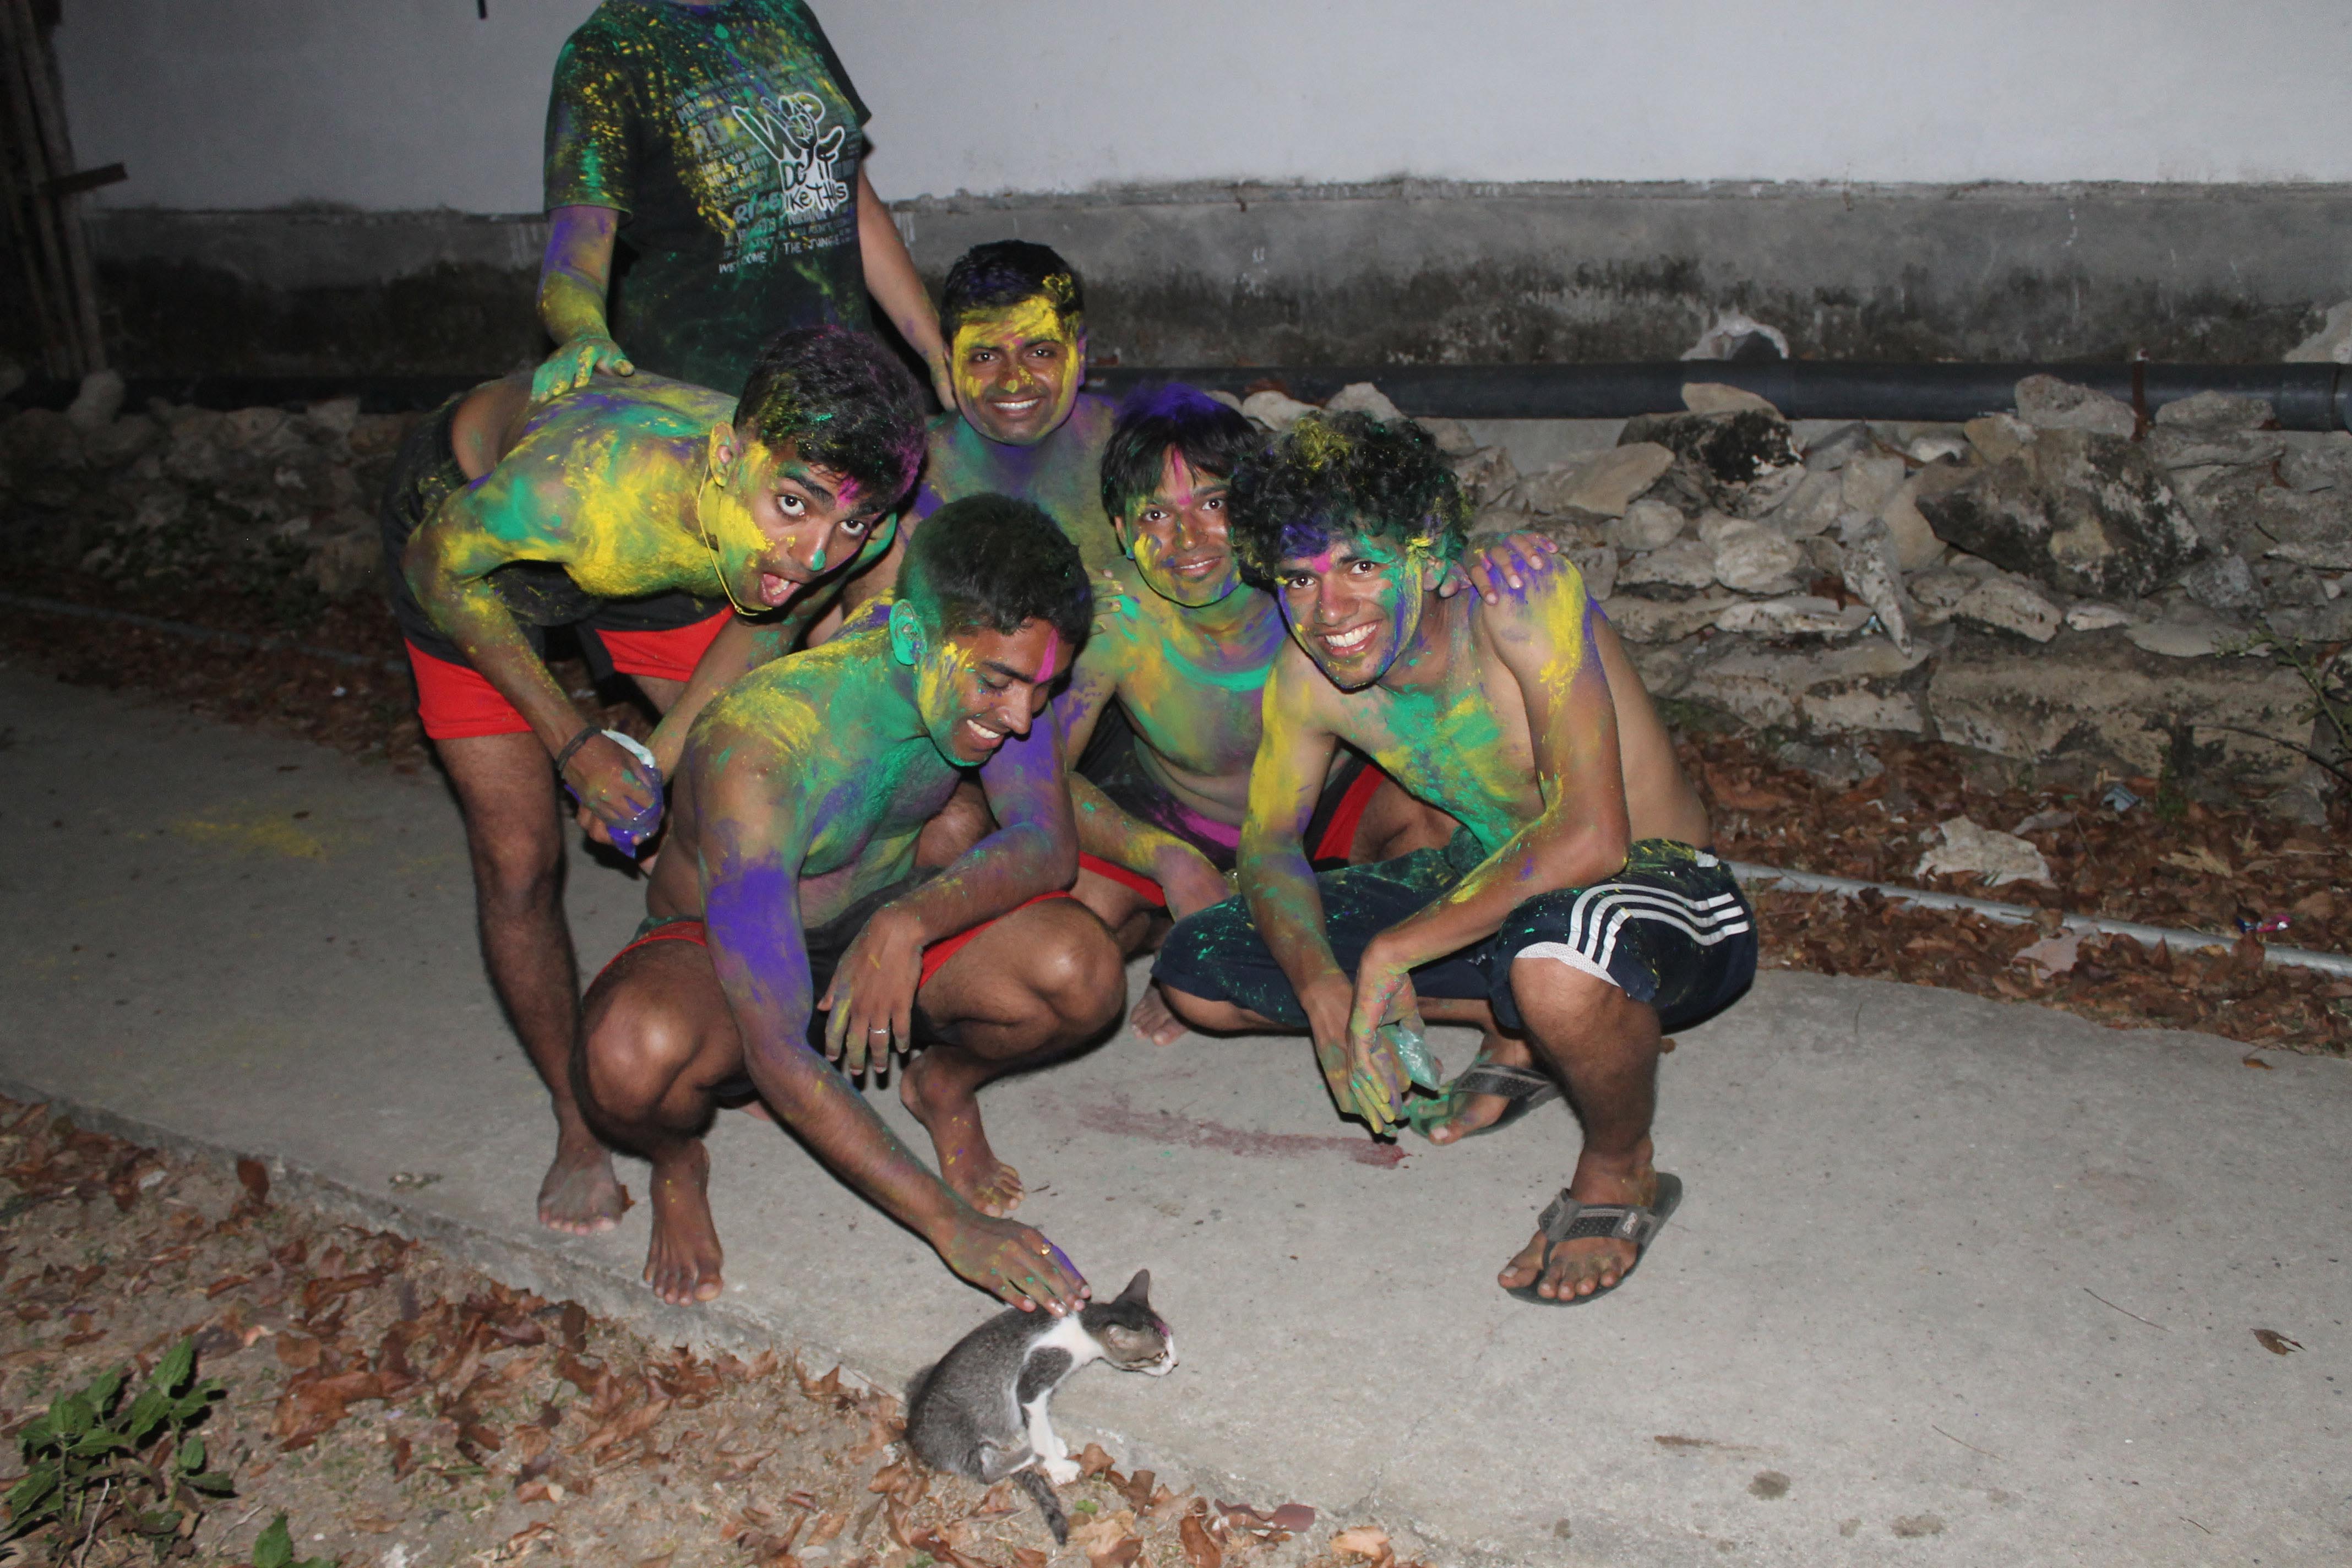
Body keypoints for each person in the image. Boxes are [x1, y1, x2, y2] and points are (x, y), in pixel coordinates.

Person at [1152, 412, 1756, 1305]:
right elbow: (1270, 842)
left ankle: (1619, 1161)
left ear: (1430, 557)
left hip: (1657, 886)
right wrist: (1324, 985)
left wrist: (1392, 956)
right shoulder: (1306, 672)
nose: (1330, 611)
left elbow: (1592, 837)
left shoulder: (1521, 609)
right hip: (1497, 881)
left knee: (1556, 967)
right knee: (1197, 970)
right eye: (1298, 579)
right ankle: (1517, 1031)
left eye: (1361, 564)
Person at [384, 325, 927, 1239]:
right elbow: (436, 569)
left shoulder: (818, 516)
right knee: (517, 858)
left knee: (746, 786)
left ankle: (728, 1039)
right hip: (472, 554)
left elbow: (773, 615)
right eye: (792, 506)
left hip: (679, 558)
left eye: (850, 526)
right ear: (729, 457)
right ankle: (579, 1112)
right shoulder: (574, 490)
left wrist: (656, 756)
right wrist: (572, 741)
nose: (814, 551)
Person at [573, 495, 1123, 1308]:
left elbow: (1047, 842)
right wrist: (951, 1226)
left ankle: (942, 1084)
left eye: (1043, 689)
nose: (1020, 718)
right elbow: (776, 1045)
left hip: (875, 914)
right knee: (628, 1057)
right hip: (729, 959)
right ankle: (676, 1162)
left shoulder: (1012, 668)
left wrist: (908, 922)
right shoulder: (762, 748)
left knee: (1079, 968)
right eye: (1000, 684)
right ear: (908, 638)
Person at [1063, 386, 1529, 1043]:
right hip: (1184, 826)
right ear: (1120, 531)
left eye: (1214, 503)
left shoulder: (1313, 584)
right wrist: (1167, 859)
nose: (1187, 538)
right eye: (1154, 517)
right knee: (1078, 923)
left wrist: (1489, 557)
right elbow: (1040, 780)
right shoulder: (1117, 620)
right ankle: (1194, 938)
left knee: (1443, 823)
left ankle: (1477, 1003)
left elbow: (1420, 566)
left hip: (1325, 824)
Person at [537, 0, 954, 409]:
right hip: (708, 400)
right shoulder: (607, 52)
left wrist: (937, 350)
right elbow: (573, 258)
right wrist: (584, 335)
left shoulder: (787, 14)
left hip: (839, 386)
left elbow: (855, 208)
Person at [832, 241, 1119, 627]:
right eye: (985, 357)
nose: (1014, 382)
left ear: (1080, 357)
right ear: (950, 365)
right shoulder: (903, 482)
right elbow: (875, 647)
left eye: (1040, 353)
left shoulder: (1134, 450)